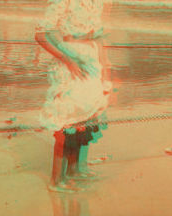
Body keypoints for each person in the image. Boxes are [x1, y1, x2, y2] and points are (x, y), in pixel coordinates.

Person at [35, 0, 112, 193]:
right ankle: (56, 180)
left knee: (84, 118)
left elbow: (99, 39)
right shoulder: (64, 2)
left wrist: (105, 73)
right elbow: (40, 35)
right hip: (72, 61)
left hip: (91, 60)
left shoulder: (97, 3)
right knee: (66, 121)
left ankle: (73, 171)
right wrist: (66, 59)